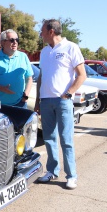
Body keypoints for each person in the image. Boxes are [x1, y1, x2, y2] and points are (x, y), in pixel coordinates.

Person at [35, 19, 87, 189]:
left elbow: (81, 75)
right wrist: (37, 99)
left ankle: (71, 175)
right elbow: (41, 77)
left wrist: (68, 93)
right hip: (46, 101)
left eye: (42, 31)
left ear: (51, 31)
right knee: (49, 138)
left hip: (63, 101)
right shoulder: (44, 52)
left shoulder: (71, 47)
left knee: (66, 139)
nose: (40, 34)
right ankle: (52, 171)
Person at [0, 29, 33, 108]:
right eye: (12, 40)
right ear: (3, 42)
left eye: (17, 40)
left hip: (19, 104)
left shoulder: (23, 57)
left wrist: (25, 96)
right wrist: (1, 88)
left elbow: (29, 79)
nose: (15, 42)